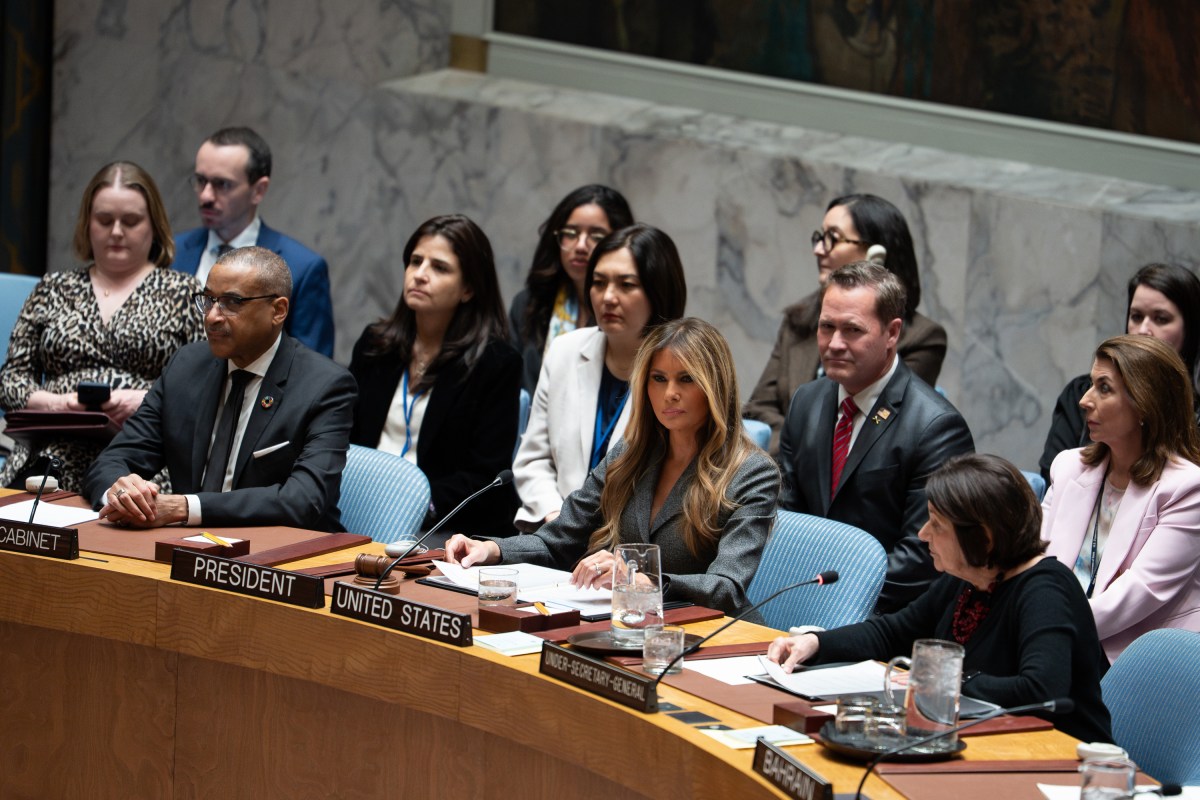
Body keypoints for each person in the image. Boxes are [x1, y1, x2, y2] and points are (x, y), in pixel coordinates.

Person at [768, 453, 1113, 745]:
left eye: (936, 525)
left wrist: (941, 680)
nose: (922, 535)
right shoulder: (970, 577)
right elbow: (892, 633)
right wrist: (815, 643)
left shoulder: (1046, 589)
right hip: (981, 742)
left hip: (1059, 761)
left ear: (984, 538)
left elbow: (1042, 691)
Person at [445, 318, 781, 617]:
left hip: (711, 638)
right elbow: (559, 539)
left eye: (687, 379)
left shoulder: (751, 473)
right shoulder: (630, 453)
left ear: (714, 387)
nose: (670, 394)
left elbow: (726, 587)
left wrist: (638, 578)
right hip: (626, 623)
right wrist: (492, 550)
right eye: (659, 379)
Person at [83, 246, 356, 532]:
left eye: (232, 302)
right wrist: (122, 493)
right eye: (209, 300)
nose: (212, 317)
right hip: (188, 547)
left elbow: (303, 501)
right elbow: (113, 461)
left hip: (284, 555)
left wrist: (183, 507)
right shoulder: (186, 366)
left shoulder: (325, 386)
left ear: (278, 310)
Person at [778, 262, 974, 613]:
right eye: (826, 327)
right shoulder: (805, 403)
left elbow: (922, 556)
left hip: (881, 618)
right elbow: (785, 519)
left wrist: (833, 601)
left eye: (852, 330)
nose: (835, 344)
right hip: (795, 600)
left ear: (892, 333)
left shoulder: (936, 427)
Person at [0, 161, 204, 492]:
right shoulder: (53, 288)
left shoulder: (186, 291)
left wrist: (146, 400)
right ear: (87, 224)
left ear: (154, 225)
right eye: (105, 220)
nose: (117, 231)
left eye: (132, 221)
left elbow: (207, 387)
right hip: (50, 450)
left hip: (145, 457)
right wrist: (57, 404)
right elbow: (10, 381)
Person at [349, 214, 520, 537]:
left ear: (468, 288)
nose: (420, 275)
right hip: (358, 507)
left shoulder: (496, 364)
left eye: (439, 267)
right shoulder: (375, 345)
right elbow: (343, 437)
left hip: (442, 524)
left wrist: (410, 506)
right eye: (415, 262)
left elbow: (484, 474)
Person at [513, 223, 687, 530]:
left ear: (658, 292)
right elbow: (533, 460)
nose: (607, 297)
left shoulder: (684, 372)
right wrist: (559, 520)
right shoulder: (565, 351)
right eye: (598, 282)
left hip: (632, 551)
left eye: (626, 285)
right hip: (554, 537)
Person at [745, 194, 948, 454]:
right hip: (783, 470)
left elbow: (881, 422)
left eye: (833, 238)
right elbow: (759, 408)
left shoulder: (922, 337)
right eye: (819, 237)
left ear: (876, 253)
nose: (819, 249)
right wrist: (798, 452)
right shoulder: (798, 320)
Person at [1042, 335, 1200, 662]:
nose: (1084, 400)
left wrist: (1048, 629)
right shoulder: (1069, 466)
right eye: (1090, 384)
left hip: (1134, 660)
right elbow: (1034, 559)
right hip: (1057, 641)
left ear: (1145, 403)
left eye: (1104, 388)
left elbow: (1140, 592)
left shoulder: (1187, 488)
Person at [173, 126, 335, 356]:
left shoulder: (302, 268)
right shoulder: (171, 252)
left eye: (222, 184)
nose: (206, 196)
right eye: (201, 181)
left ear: (259, 190)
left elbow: (314, 372)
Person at [1040, 262, 1200, 481]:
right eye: (1136, 316)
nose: (1143, 330)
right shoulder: (1081, 393)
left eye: (1161, 319)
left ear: (1190, 330)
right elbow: (1053, 481)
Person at [508, 185, 634, 394]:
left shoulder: (626, 308)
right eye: (570, 233)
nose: (581, 246)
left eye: (596, 235)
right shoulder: (529, 304)